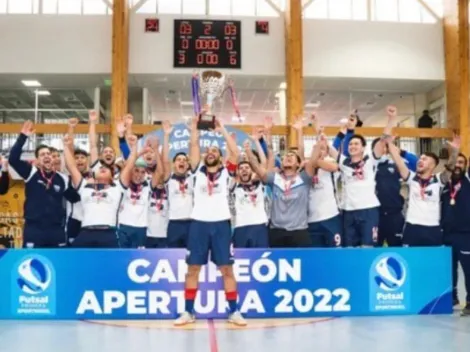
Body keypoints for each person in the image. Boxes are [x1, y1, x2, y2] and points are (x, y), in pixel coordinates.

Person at [174, 115, 246, 327]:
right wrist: (195, 128)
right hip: (198, 224)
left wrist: (221, 127)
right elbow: (194, 145)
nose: (211, 153)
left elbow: (235, 152)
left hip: (222, 224)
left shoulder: (226, 172)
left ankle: (233, 311)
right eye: (209, 151)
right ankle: (188, 311)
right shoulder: (196, 170)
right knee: (193, 269)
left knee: (227, 269)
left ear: (220, 157)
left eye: (215, 151)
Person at [329, 106, 396, 247]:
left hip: (369, 210)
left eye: (356, 144)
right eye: (351, 144)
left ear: (363, 147)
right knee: (349, 249)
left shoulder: (370, 160)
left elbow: (383, 140)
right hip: (348, 211)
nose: (353, 146)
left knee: (367, 247)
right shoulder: (343, 162)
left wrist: (390, 119)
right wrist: (345, 131)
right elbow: (330, 149)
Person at [63, 131, 142, 248]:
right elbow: (71, 166)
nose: (103, 168)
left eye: (106, 169)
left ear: (112, 176)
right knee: (77, 264)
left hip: (109, 233)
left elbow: (130, 164)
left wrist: (135, 146)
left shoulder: (118, 187)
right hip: (85, 232)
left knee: (112, 265)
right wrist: (65, 145)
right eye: (100, 168)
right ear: (93, 174)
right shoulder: (84, 186)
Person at [247, 123, 317, 248]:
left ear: (298, 164)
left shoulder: (304, 178)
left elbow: (310, 157)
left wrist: (302, 132)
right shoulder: (275, 178)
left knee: (303, 266)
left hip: (299, 232)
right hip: (276, 232)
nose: (288, 157)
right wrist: (249, 150)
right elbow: (260, 166)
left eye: (292, 156)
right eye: (285, 156)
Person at [387, 135, 460, 246]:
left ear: (432, 165)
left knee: (431, 262)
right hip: (412, 227)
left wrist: (455, 151)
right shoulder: (411, 178)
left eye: (424, 159)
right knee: (411, 261)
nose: (420, 161)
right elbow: (398, 160)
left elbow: (450, 167)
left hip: (433, 228)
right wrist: (390, 143)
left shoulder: (439, 179)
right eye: (420, 158)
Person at [8, 121, 72, 248]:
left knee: (58, 263)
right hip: (34, 229)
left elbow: (75, 198)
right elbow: (13, 159)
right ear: (37, 160)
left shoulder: (62, 178)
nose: (46, 156)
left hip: (56, 230)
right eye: (42, 155)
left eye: (48, 154)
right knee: (32, 260)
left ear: (53, 158)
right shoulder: (31, 172)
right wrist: (23, 137)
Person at [372, 137, 418, 247]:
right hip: (374, 214)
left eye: (385, 146)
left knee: (397, 247)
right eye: (380, 146)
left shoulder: (396, 164)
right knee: (374, 249)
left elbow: (417, 164)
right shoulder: (369, 164)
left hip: (394, 214)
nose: (383, 149)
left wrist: (400, 152)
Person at [118, 139, 163, 248]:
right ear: (131, 171)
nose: (139, 174)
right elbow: (129, 164)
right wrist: (142, 152)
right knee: (121, 258)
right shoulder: (124, 184)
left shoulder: (148, 186)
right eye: (136, 170)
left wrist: (156, 150)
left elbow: (160, 172)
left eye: (143, 172)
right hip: (123, 226)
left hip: (141, 228)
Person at [441, 152, 470, 313]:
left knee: (468, 269)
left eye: (461, 162)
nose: (458, 165)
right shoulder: (446, 184)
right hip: (447, 233)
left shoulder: (468, 181)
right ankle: (452, 298)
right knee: (449, 269)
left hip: (466, 233)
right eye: (456, 162)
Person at [161, 121, 193, 248]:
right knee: (173, 257)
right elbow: (165, 160)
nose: (182, 162)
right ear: (174, 164)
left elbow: (193, 154)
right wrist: (166, 135)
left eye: (184, 160)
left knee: (192, 257)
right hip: (174, 223)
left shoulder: (193, 178)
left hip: (191, 223)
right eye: (179, 160)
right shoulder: (169, 179)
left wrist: (193, 132)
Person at [231, 145, 269, 248]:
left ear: (252, 171)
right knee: (241, 259)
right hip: (240, 227)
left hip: (260, 226)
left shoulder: (260, 183)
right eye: (241, 168)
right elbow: (231, 162)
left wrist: (255, 143)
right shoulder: (234, 187)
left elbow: (264, 163)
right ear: (237, 172)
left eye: (247, 168)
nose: (244, 170)